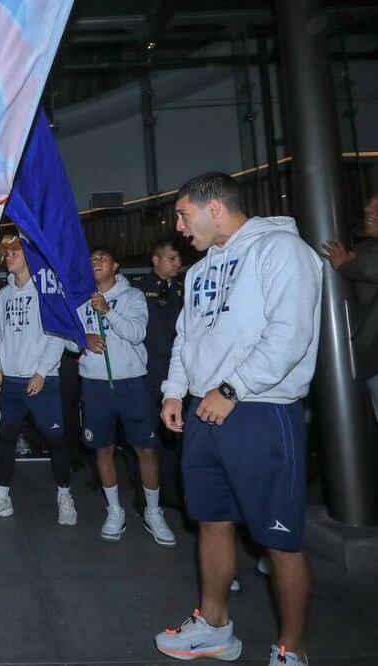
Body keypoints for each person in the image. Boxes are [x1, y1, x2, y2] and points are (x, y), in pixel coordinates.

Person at [154, 172, 321, 666]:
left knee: (279, 539)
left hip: (260, 411)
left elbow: (290, 334)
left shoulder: (281, 250)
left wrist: (233, 388)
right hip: (205, 413)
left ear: (215, 209)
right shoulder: (200, 270)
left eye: (184, 215)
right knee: (211, 520)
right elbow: (187, 338)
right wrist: (173, 391)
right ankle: (214, 628)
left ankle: (292, 648)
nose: (180, 228)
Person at [76, 248, 175, 547]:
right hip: (94, 385)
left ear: (116, 265)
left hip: (131, 384)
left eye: (102, 258)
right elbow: (70, 341)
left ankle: (153, 512)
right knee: (102, 450)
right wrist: (84, 340)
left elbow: (136, 333)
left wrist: (108, 311)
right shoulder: (81, 297)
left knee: (145, 449)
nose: (95, 262)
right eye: (91, 258)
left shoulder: (132, 296)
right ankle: (114, 510)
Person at [0, 237, 76, 527]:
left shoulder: (47, 292)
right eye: (7, 252)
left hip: (43, 381)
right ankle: (2, 497)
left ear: (30, 257)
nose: (9, 256)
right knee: (6, 440)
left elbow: (56, 336)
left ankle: (64, 495)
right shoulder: (3, 295)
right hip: (11, 381)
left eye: (15, 252)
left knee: (56, 440)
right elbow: (2, 337)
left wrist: (42, 372)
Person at [129, 239, 185, 510]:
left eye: (178, 259)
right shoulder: (139, 289)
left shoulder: (185, 289)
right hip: (146, 370)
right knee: (144, 434)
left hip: (176, 370)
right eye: (171, 258)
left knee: (173, 433)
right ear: (156, 260)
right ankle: (144, 492)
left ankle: (171, 489)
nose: (177, 264)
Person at [321, 193, 378, 420]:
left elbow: (368, 268)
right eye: (369, 203)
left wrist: (345, 264)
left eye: (377, 205)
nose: (367, 209)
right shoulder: (369, 247)